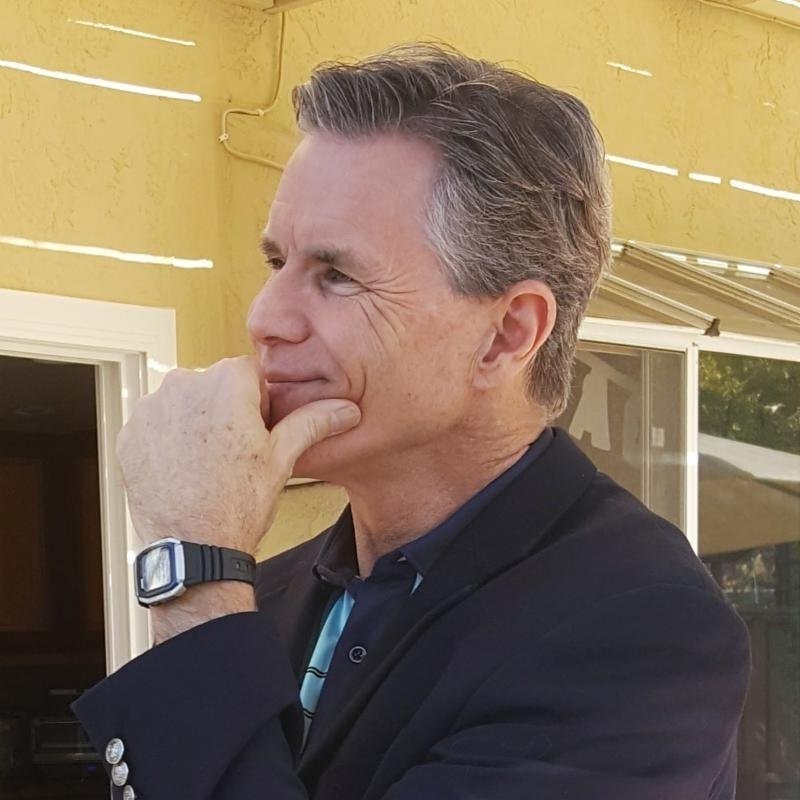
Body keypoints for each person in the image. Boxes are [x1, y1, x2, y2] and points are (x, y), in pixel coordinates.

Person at [72, 44, 750, 800]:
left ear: (506, 335)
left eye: (336, 275)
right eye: (276, 263)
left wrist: (193, 571)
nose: (265, 317)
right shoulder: (268, 590)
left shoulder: (639, 631)